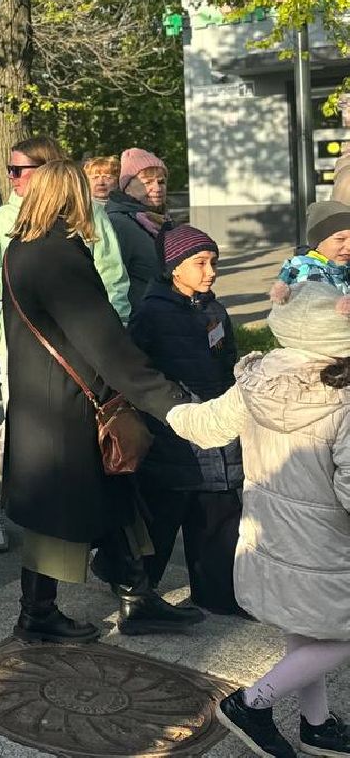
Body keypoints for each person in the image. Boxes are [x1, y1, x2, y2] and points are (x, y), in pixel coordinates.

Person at [0, 160, 195, 644]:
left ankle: (136, 596)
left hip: (47, 400)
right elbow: (102, 338)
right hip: (68, 407)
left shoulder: (22, 249)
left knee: (111, 492)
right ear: (70, 198)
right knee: (61, 513)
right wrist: (165, 398)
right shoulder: (58, 255)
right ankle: (37, 614)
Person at [166, 281, 350, 757]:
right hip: (328, 548)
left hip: (268, 537)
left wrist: (164, 406)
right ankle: (252, 703)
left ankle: (317, 726)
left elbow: (206, 426)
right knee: (338, 635)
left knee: (307, 635)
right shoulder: (345, 398)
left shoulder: (257, 380)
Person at [0, 136, 130, 552]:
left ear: (47, 171)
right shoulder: (5, 216)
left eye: (18, 170)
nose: (11, 178)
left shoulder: (90, 212)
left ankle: (89, 528)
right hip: (22, 342)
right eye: (8, 170)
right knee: (19, 425)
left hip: (85, 343)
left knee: (83, 429)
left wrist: (111, 337)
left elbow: (113, 279)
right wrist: (21, 291)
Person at [125, 223, 242, 616]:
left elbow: (228, 361)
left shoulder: (214, 308)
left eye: (214, 262)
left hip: (219, 429)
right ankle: (139, 592)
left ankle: (217, 595)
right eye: (200, 262)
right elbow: (134, 371)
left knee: (218, 517)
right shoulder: (152, 312)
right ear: (174, 267)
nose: (210, 271)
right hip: (173, 435)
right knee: (162, 518)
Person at [105, 147, 172, 308]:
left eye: (161, 181)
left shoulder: (161, 221)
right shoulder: (118, 223)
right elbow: (111, 282)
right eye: (147, 182)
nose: (157, 188)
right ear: (127, 187)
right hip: (140, 321)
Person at [274, 200, 350, 296]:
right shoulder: (310, 274)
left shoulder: (340, 266)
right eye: (340, 239)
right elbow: (320, 308)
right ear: (317, 242)